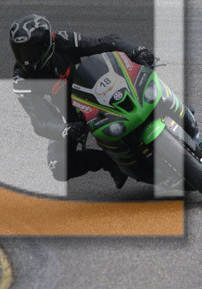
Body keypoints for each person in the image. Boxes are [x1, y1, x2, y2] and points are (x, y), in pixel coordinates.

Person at [9, 13, 155, 188]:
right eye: (20, 51)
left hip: (94, 93)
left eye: (30, 50)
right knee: (60, 167)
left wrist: (136, 51)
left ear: (46, 43)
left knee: (143, 83)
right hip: (69, 119)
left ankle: (172, 113)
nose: (26, 58)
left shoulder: (62, 40)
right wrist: (65, 129)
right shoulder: (21, 81)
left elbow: (106, 42)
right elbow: (40, 122)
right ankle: (110, 163)